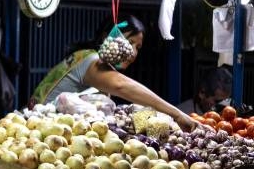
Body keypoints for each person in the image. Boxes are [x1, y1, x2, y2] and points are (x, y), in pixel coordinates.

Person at [29, 15, 201, 131]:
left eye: (138, 47)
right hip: (42, 131)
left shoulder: (86, 56)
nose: (133, 53)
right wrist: (177, 114)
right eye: (130, 42)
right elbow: (122, 85)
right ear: (108, 36)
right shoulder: (92, 60)